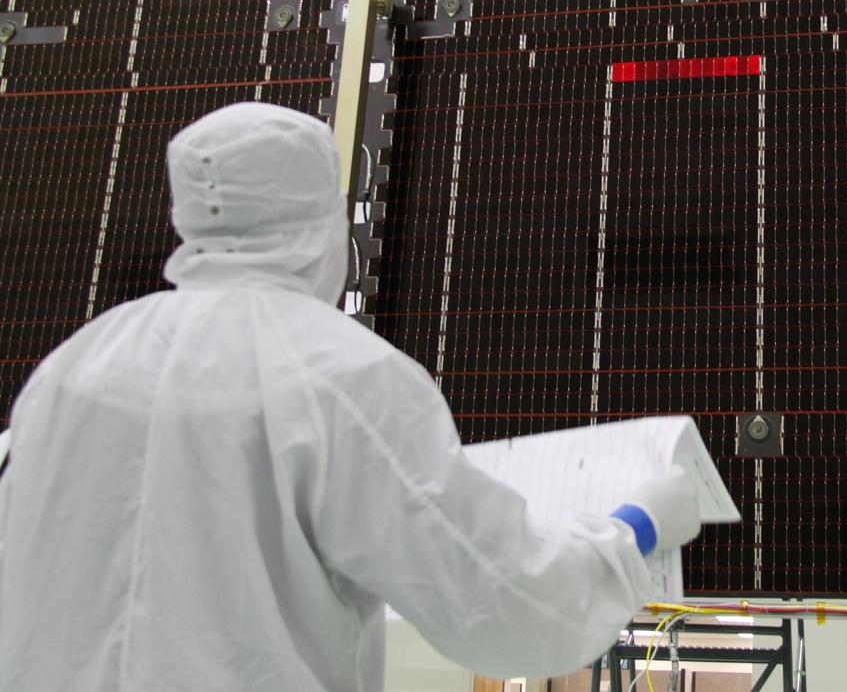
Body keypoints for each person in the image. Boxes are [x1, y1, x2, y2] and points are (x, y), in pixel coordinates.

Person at [0, 102, 702, 691]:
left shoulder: (72, 367)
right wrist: (634, 530)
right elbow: (508, 605)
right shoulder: (342, 377)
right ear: (319, 215)